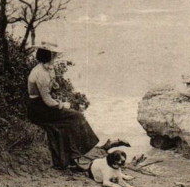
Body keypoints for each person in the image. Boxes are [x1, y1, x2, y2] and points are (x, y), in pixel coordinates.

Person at [25, 42, 127, 170]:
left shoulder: (45, 69)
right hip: (39, 109)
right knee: (76, 117)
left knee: (71, 121)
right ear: (48, 56)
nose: (55, 57)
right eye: (53, 55)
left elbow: (52, 88)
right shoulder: (40, 73)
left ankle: (74, 157)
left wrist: (55, 85)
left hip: (43, 106)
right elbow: (47, 100)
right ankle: (75, 156)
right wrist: (62, 105)